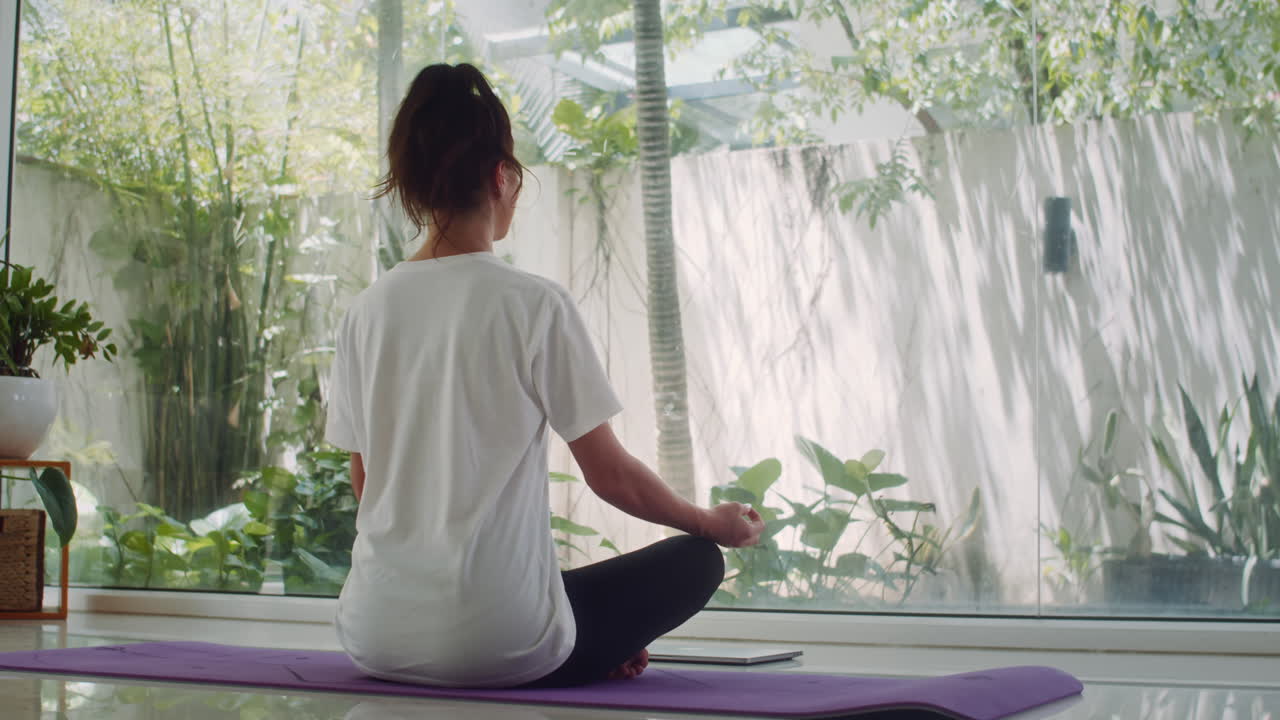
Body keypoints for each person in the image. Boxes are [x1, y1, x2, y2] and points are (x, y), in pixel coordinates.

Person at [324, 62, 765, 690]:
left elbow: (365, 482)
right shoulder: (533, 304)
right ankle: (580, 646)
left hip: (373, 635)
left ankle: (575, 637)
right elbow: (609, 475)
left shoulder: (364, 312)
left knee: (540, 594)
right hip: (496, 646)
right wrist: (710, 523)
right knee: (694, 563)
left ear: (415, 185)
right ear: (501, 177)